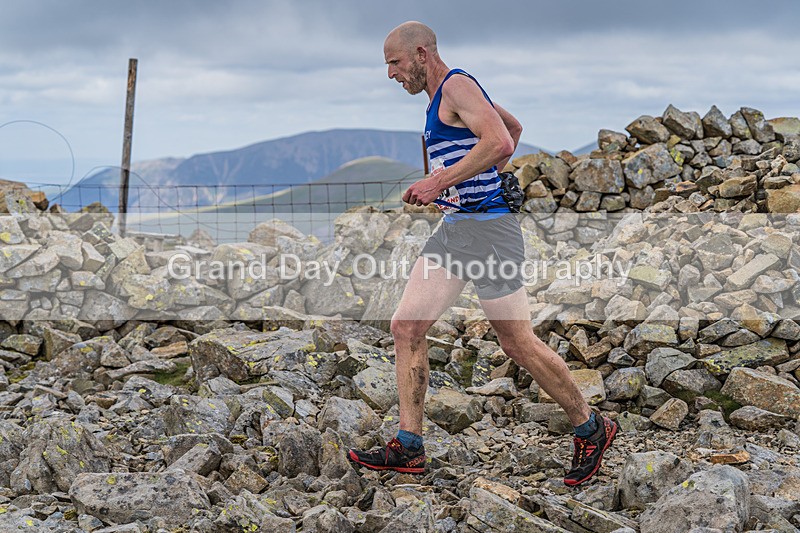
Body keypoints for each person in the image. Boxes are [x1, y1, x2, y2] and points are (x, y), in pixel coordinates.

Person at [347, 21, 618, 487]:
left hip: (491, 232)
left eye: (394, 63)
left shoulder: (457, 86)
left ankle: (593, 428)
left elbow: (502, 140)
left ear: (420, 53)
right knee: (406, 326)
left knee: (516, 343)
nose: (390, 74)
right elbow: (509, 124)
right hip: (457, 232)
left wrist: (441, 180)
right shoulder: (442, 98)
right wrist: (474, 180)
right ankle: (408, 447)